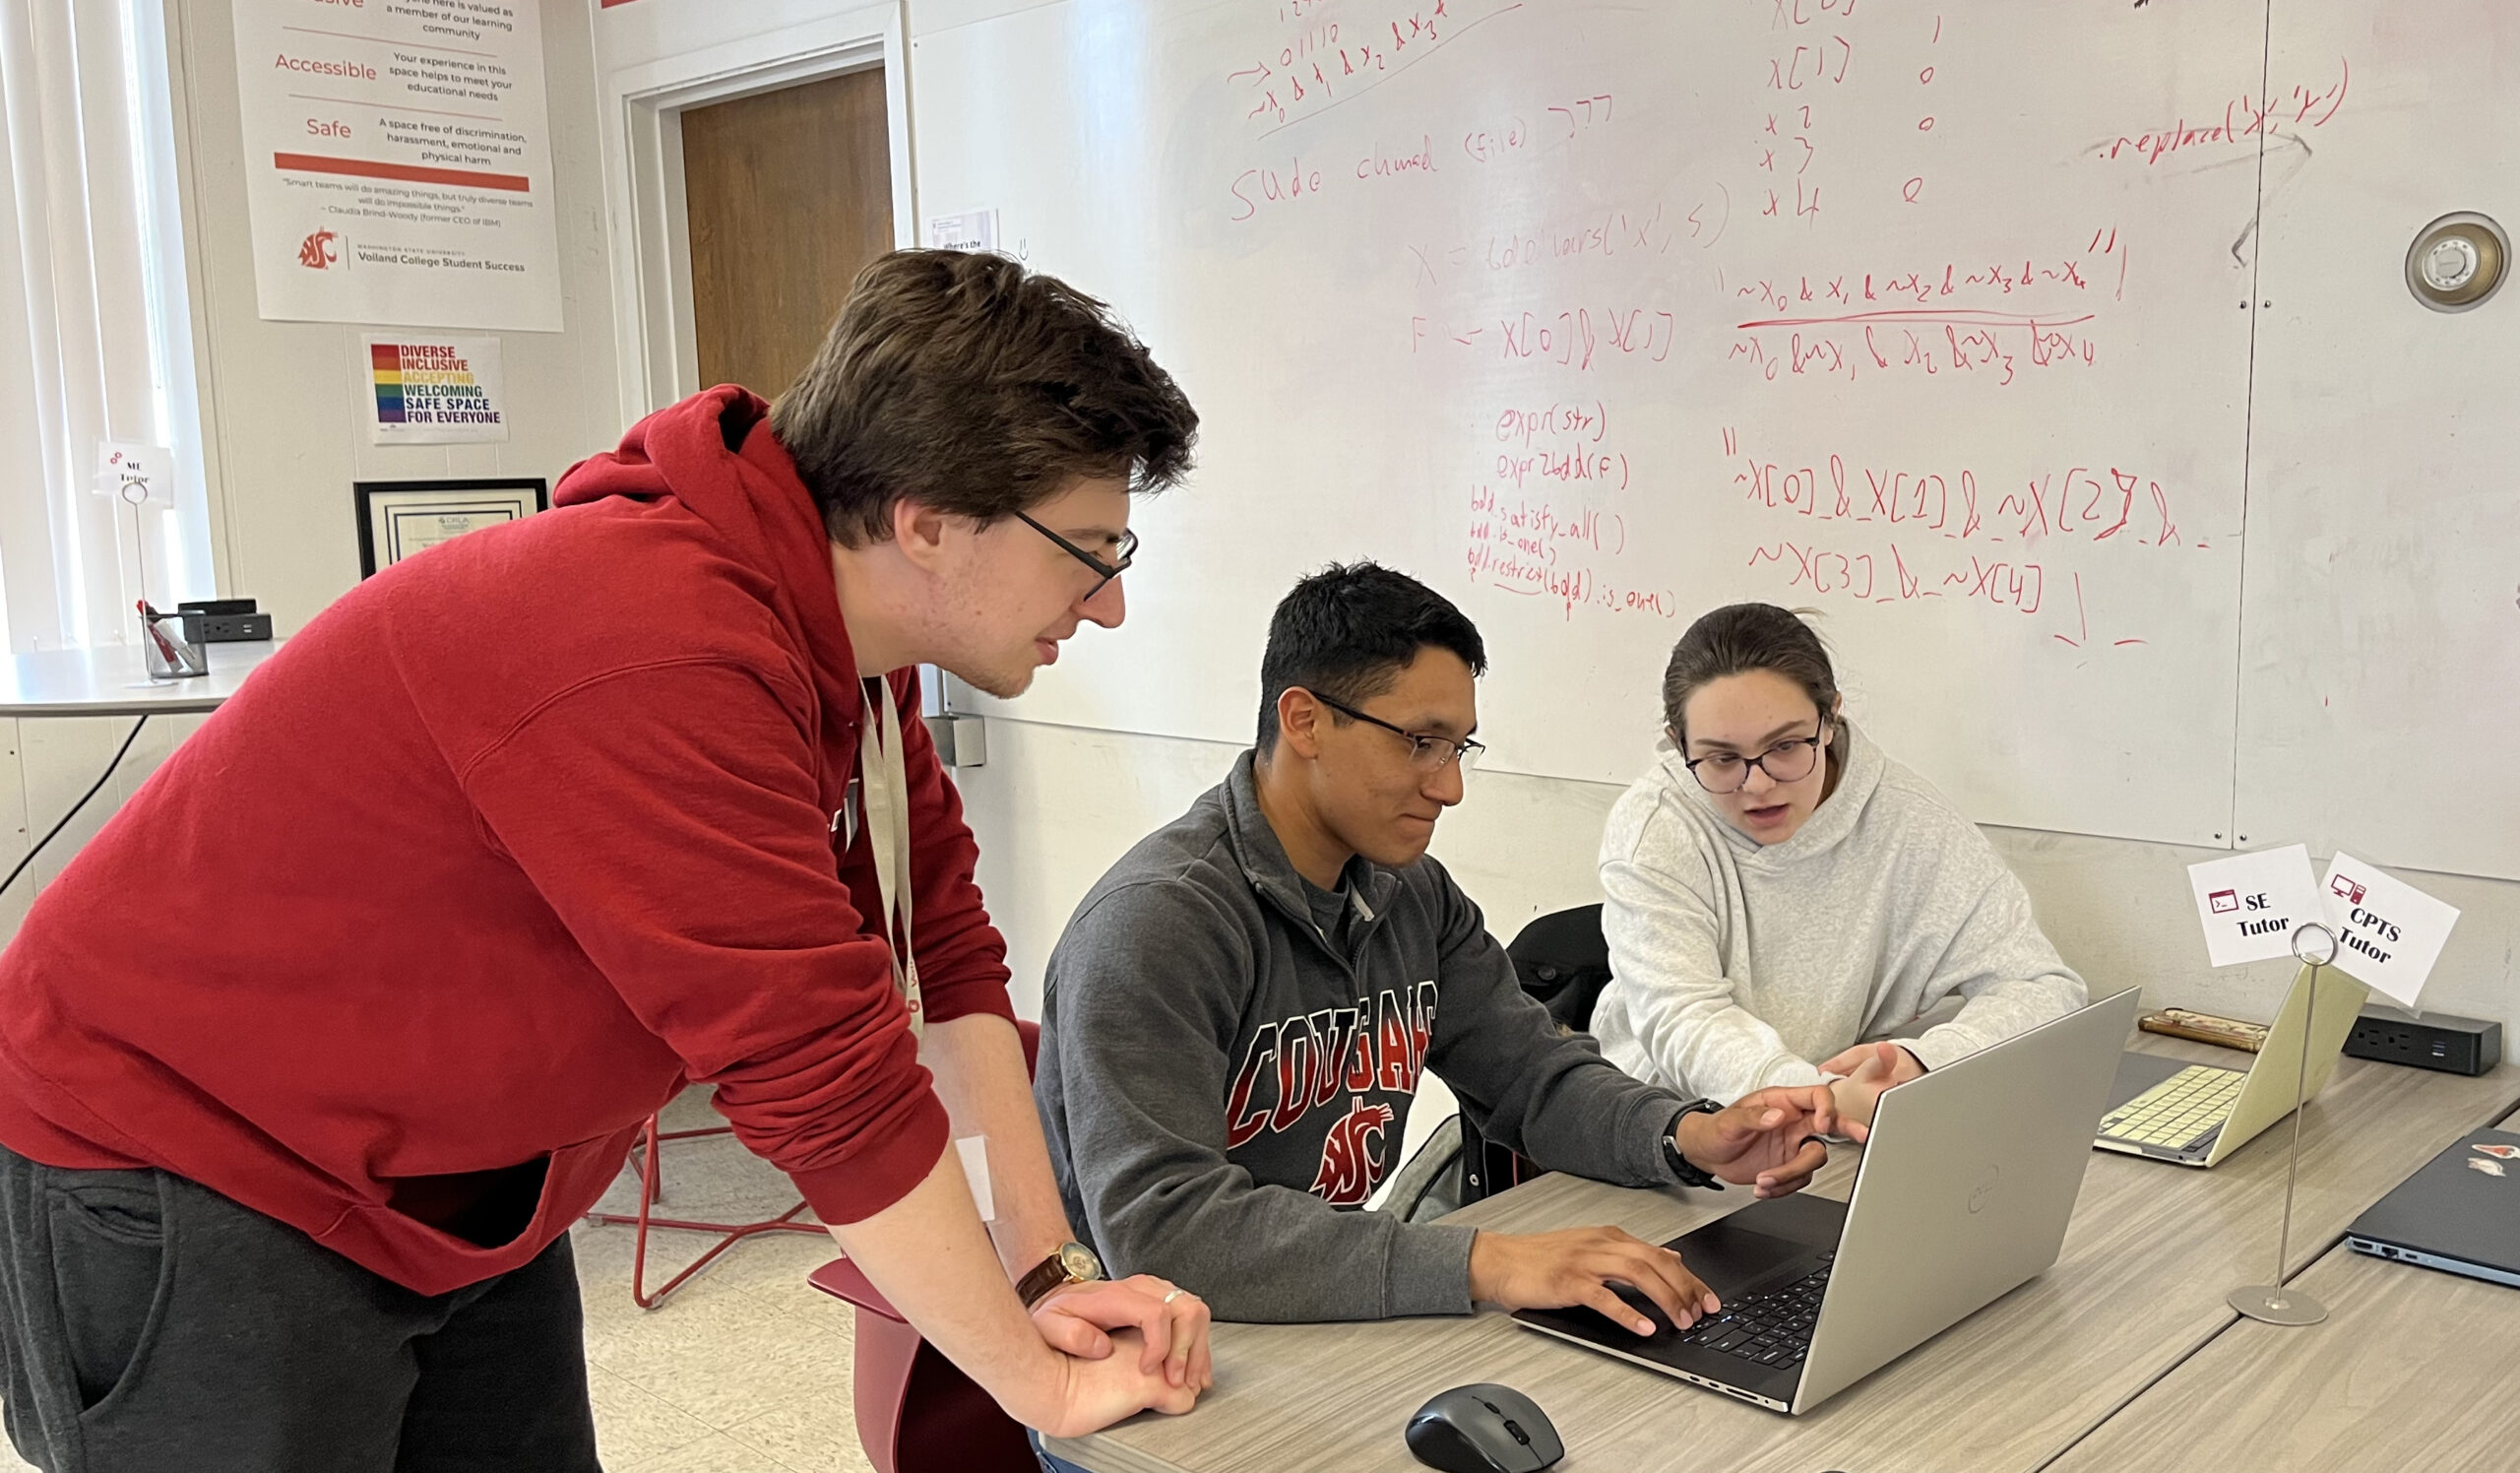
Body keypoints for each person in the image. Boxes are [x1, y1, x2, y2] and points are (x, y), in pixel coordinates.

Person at [0, 250, 1215, 1469]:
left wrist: (1043, 1272)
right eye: (1091, 549)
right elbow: (825, 1083)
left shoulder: (851, 649)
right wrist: (1033, 1384)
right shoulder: (651, 645)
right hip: (191, 1150)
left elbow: (939, 960)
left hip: (466, 1169)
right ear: (929, 523)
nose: (1105, 604)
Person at [1034, 564, 1852, 1340]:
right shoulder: (1158, 924)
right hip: (1146, 1368)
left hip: (1317, 1326)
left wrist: (1685, 1137)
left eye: (1458, 747)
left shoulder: (1411, 895)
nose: (1449, 785)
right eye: (1418, 743)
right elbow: (1166, 1228)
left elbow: (1532, 1078)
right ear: (1304, 720)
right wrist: (1483, 1260)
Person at [1592, 603, 2088, 1124]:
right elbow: (1685, 1019)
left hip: (1845, 1126)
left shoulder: (1910, 822)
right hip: (1673, 1125)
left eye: (1785, 746)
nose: (1757, 784)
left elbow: (2042, 988)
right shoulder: (1656, 828)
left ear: (1829, 719)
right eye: (1721, 759)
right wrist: (1820, 1098)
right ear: (1679, 743)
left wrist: (1923, 1064)